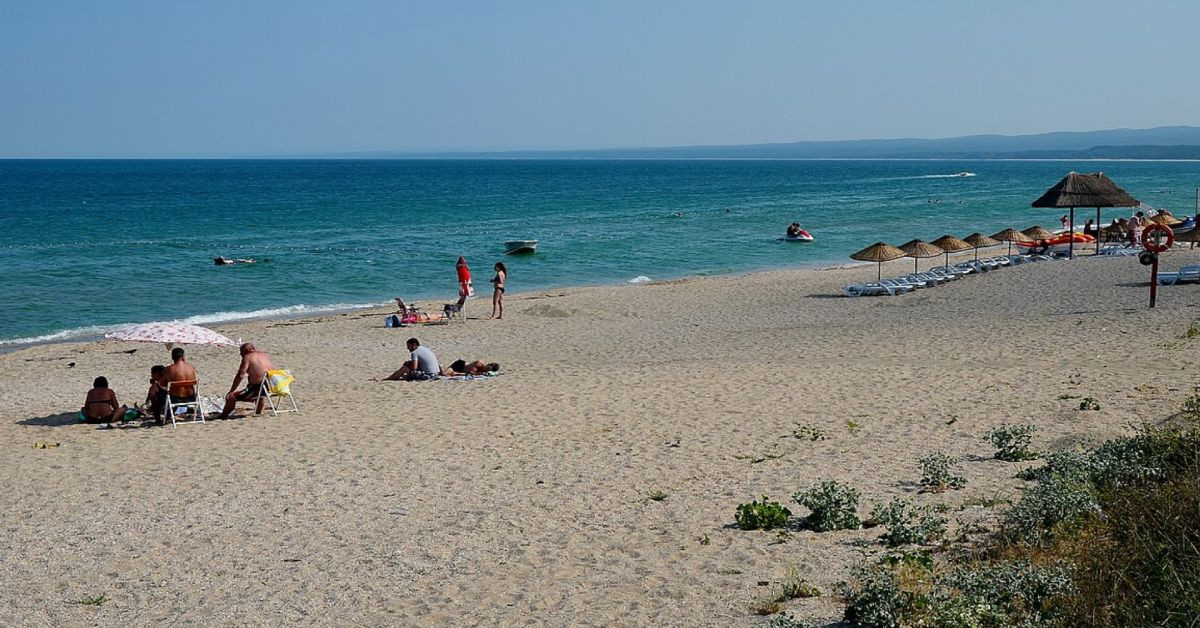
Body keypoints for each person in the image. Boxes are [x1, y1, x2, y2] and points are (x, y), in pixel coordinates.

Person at [217, 343, 274, 418]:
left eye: (241, 352)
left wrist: (231, 391)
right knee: (259, 395)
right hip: (272, 386)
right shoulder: (263, 355)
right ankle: (258, 413)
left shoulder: (247, 357)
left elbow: (240, 375)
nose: (241, 354)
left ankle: (223, 416)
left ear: (246, 351)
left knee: (231, 397)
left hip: (258, 387)